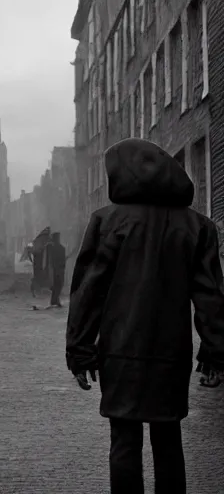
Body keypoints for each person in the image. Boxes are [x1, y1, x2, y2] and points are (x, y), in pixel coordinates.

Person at [66, 138, 224, 494]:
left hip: (120, 350)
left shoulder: (107, 222)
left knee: (124, 441)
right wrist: (216, 352)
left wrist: (79, 350)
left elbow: (87, 292)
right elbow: (211, 296)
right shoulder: (198, 227)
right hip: (172, 352)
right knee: (168, 439)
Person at [45, 232, 66, 307]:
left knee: (57, 285)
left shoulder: (53, 248)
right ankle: (55, 300)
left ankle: (54, 300)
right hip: (58, 269)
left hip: (56, 269)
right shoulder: (60, 248)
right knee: (58, 285)